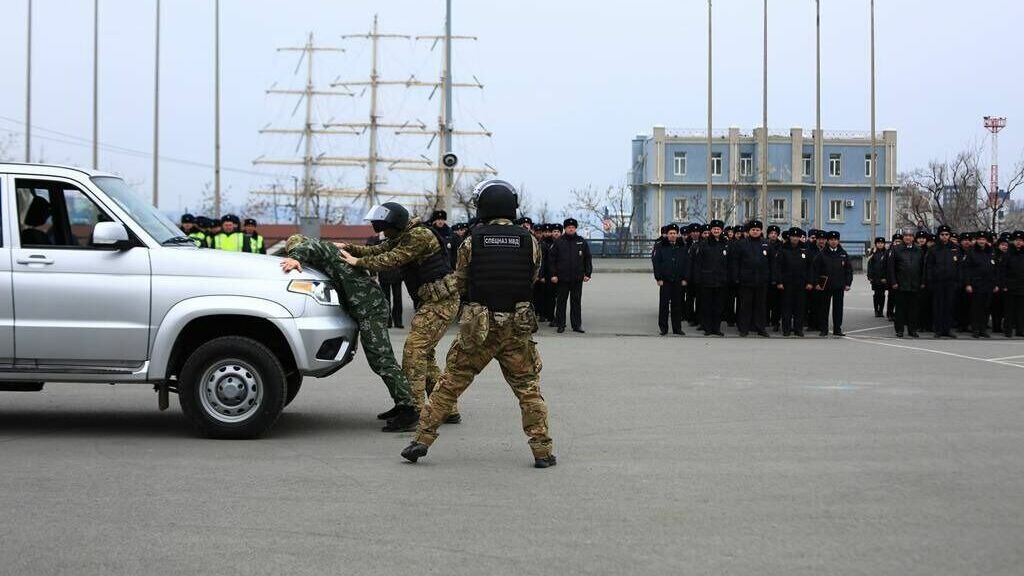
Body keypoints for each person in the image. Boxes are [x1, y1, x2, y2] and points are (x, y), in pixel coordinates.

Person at [401, 179, 555, 468]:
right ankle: (542, 452)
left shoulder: (473, 240)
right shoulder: (529, 241)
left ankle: (421, 440)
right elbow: (533, 277)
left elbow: (461, 279)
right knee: (528, 389)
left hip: (478, 329)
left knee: (450, 384)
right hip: (516, 328)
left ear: (484, 206)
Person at [336, 202, 461, 422]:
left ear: (396, 225)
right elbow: (378, 250)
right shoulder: (403, 235)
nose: (384, 234)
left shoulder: (419, 236)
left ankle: (413, 411)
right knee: (425, 355)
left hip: (441, 302)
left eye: (386, 229)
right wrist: (348, 248)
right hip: (431, 301)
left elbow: (392, 259)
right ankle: (447, 409)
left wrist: (359, 262)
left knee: (414, 352)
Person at [280, 235, 419, 432]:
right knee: (379, 359)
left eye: (294, 250)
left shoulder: (321, 249)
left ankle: (409, 410)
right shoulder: (326, 251)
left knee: (382, 359)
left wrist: (295, 258)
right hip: (365, 308)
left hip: (370, 308)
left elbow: (310, 247)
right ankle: (402, 404)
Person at [548, 217, 593, 333]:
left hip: (577, 278)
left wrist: (588, 273)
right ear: (565, 229)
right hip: (562, 278)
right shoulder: (559, 242)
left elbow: (587, 258)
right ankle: (560, 324)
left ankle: (577, 325)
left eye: (573, 227)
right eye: (568, 227)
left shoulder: (581, 241)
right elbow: (552, 260)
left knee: (576, 303)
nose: (571, 229)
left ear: (575, 228)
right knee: (561, 303)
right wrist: (553, 274)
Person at [731, 220, 771, 337]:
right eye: (753, 230)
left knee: (761, 306)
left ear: (761, 231)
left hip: (761, 280)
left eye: (757, 230)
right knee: (745, 305)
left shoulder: (766, 244)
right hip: (745, 280)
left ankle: (760, 328)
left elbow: (771, 262)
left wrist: (770, 277)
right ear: (749, 231)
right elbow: (735, 262)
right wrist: (736, 277)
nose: (755, 232)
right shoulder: (741, 244)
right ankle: (744, 328)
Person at [692, 219, 729, 337]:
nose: (716, 231)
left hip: (721, 280)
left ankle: (716, 328)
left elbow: (730, 263)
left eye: (718, 229)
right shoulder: (704, 244)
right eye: (714, 229)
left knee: (718, 306)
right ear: (711, 230)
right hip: (706, 280)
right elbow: (698, 263)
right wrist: (698, 278)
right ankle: (707, 328)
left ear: (721, 230)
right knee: (707, 305)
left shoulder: (726, 244)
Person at [774, 227, 813, 337]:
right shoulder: (783, 249)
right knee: (786, 307)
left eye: (797, 236)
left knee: (799, 308)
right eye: (793, 236)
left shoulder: (805, 249)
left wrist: (810, 282)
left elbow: (810, 267)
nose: (795, 238)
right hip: (786, 283)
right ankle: (786, 329)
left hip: (801, 283)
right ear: (789, 237)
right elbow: (778, 267)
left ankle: (798, 329)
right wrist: (779, 282)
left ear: (800, 237)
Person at [812, 231, 853, 337]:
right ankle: (823, 329)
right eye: (831, 240)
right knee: (824, 309)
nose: (833, 242)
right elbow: (815, 269)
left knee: (838, 309)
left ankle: (837, 329)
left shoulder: (843, 253)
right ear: (828, 241)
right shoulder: (822, 254)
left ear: (838, 241)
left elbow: (848, 270)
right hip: (825, 286)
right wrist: (816, 283)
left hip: (839, 286)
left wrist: (848, 283)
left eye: (835, 240)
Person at [651, 223, 689, 336]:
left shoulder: (682, 246)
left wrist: (685, 278)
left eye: (674, 233)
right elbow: (656, 263)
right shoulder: (660, 246)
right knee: (664, 305)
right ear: (667, 235)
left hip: (678, 280)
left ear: (677, 235)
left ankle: (677, 328)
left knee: (677, 305)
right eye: (670, 233)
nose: (672, 235)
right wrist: (658, 278)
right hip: (665, 280)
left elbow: (687, 263)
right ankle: (663, 328)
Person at [925, 225, 960, 339]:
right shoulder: (933, 249)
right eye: (942, 234)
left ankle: (947, 329)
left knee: (949, 306)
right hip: (938, 282)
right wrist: (930, 281)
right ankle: (938, 329)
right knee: (938, 306)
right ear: (939, 235)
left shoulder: (955, 248)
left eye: (946, 234)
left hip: (951, 282)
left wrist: (958, 281)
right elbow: (929, 266)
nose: (944, 236)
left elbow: (959, 267)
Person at [888, 229, 924, 338]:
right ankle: (899, 330)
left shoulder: (918, 250)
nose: (908, 237)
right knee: (900, 309)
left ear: (913, 238)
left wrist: (922, 281)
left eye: (910, 235)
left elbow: (922, 267)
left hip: (914, 284)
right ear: (903, 237)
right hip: (901, 284)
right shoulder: (896, 249)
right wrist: (893, 281)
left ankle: (912, 330)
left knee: (913, 309)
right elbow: (891, 267)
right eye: (906, 235)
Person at [962, 231, 998, 338]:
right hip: (976, 284)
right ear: (976, 240)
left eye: (983, 239)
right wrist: (968, 284)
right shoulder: (971, 252)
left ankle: (983, 329)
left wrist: (996, 284)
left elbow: (996, 269)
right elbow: (966, 269)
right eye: (980, 239)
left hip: (988, 284)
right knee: (976, 308)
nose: (982, 241)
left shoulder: (991, 251)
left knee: (986, 308)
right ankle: (975, 329)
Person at [367, 234, 405, 329]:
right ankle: (389, 320)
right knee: (386, 299)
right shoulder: (376, 240)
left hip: (396, 273)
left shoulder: (396, 238)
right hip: (385, 273)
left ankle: (397, 321)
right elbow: (371, 255)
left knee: (397, 299)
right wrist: (373, 273)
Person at [1000, 230, 1024, 338]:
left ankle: (1020, 330)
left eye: (1021, 240)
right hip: (1010, 286)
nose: (1019, 242)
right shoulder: (1007, 254)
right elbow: (1002, 271)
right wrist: (1004, 285)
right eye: (1016, 240)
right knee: (1009, 310)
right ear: (1013, 241)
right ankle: (1008, 330)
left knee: (1021, 310)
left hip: (1022, 286)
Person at [866, 237, 888, 318]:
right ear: (876, 244)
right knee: (876, 294)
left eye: (882, 243)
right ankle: (876, 310)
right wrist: (869, 276)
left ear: (884, 244)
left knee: (882, 294)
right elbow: (869, 265)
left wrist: (886, 277)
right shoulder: (873, 253)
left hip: (883, 278)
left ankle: (881, 310)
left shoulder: (886, 253)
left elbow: (888, 266)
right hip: (875, 277)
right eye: (878, 243)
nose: (880, 244)